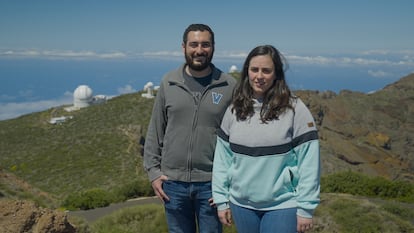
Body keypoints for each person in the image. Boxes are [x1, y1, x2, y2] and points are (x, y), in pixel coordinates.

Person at [212, 45, 320, 233]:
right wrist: (221, 200)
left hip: (282, 205)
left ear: (276, 74)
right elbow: (223, 159)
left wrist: (306, 208)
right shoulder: (234, 110)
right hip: (241, 205)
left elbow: (309, 162)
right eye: (254, 70)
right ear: (247, 72)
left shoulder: (295, 109)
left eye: (266, 70)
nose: (259, 76)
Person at [143, 23, 237, 233]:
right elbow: (156, 130)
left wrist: (229, 182)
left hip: (212, 184)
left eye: (205, 44)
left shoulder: (228, 86)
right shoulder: (169, 82)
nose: (199, 50)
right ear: (183, 47)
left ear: (213, 47)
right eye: (193, 44)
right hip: (172, 183)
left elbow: (237, 139)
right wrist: (153, 172)